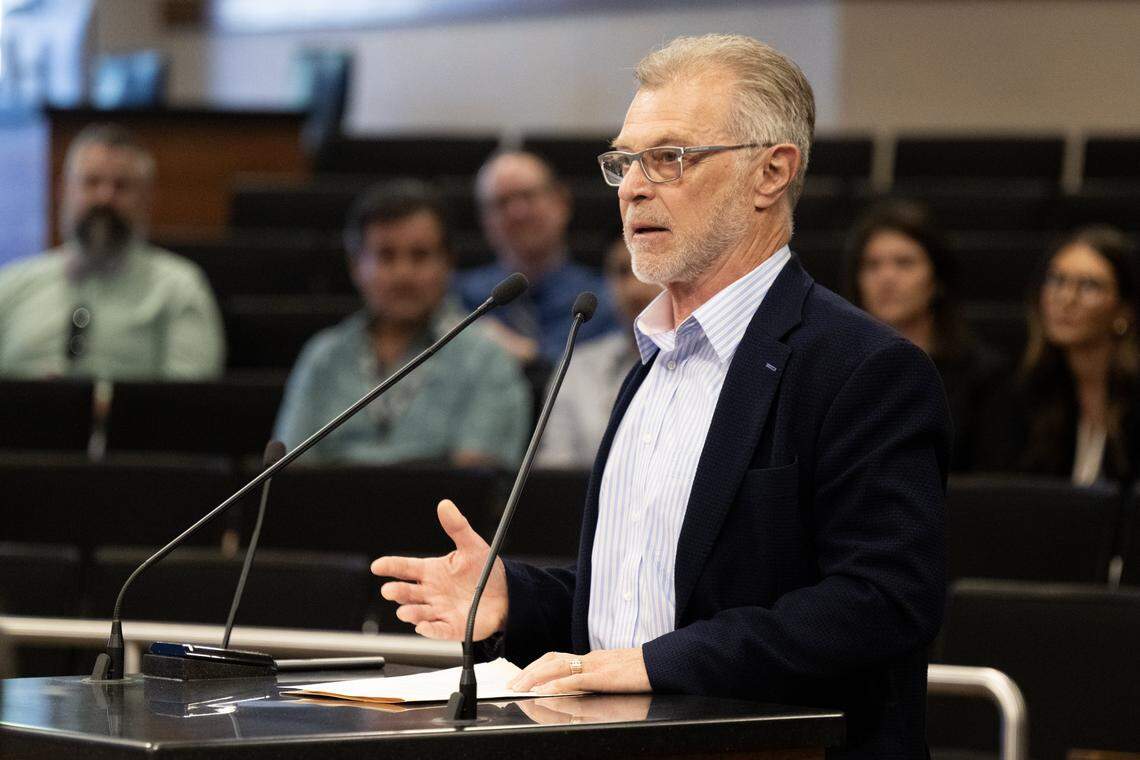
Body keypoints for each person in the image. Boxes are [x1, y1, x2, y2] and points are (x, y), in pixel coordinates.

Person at [373, 35, 949, 759]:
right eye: (624, 162)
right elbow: (647, 592)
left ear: (772, 172)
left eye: (670, 158)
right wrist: (518, 601)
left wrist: (652, 666)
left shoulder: (863, 369)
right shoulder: (649, 362)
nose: (634, 188)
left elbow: (882, 601)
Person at [274, 179, 531, 467]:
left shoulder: (487, 358)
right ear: (356, 265)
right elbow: (291, 471)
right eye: (386, 256)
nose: (403, 274)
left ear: (448, 263)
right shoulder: (323, 355)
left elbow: (477, 482)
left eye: (420, 256)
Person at [0, 123, 224, 380]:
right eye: (91, 182)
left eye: (121, 186)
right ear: (64, 192)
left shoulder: (179, 289)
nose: (105, 197)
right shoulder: (10, 285)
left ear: (147, 198)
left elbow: (191, 403)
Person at [845, 199, 1006, 471]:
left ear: (937, 280)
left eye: (904, 263)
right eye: (872, 265)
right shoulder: (836, 369)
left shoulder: (984, 376)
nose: (886, 278)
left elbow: (995, 490)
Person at [977, 225, 1140, 485]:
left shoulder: (1132, 394)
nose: (1066, 298)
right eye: (1056, 280)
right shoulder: (1021, 391)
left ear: (1124, 310)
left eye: (1089, 286)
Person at [454, 151, 619, 364]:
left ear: (562, 202)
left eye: (528, 196)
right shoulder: (459, 299)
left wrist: (528, 353)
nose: (517, 212)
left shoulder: (604, 300)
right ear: (484, 219)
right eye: (502, 202)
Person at [536, 236, 661, 468]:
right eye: (623, 272)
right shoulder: (576, 366)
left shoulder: (702, 361)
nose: (635, 288)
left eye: (647, 268)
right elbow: (554, 474)